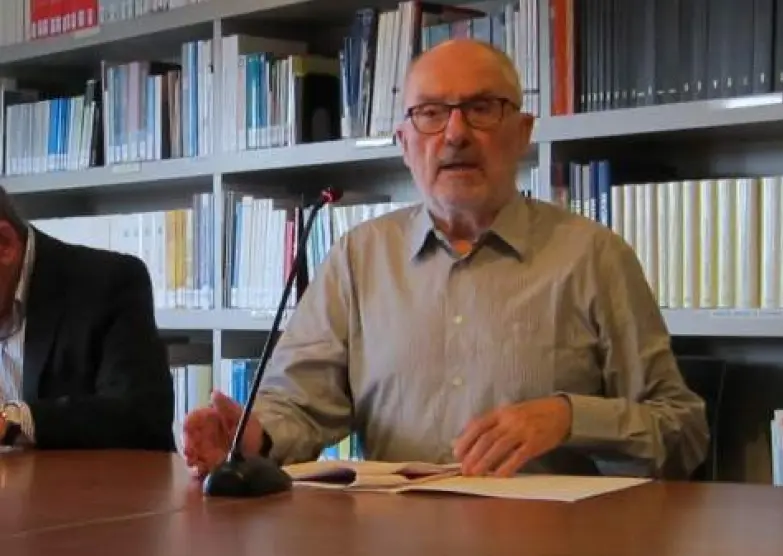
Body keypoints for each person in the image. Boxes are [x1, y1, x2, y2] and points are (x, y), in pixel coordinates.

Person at [183, 39, 708, 479]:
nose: (455, 134)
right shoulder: (358, 257)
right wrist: (253, 437)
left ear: (522, 133)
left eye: (481, 108)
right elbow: (298, 405)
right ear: (405, 143)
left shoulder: (593, 256)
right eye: (431, 114)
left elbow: (682, 432)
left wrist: (570, 418)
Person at [0, 187, 174, 451]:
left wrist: (12, 421)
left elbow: (140, 416)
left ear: (5, 245)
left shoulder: (110, 283)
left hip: (95, 478)